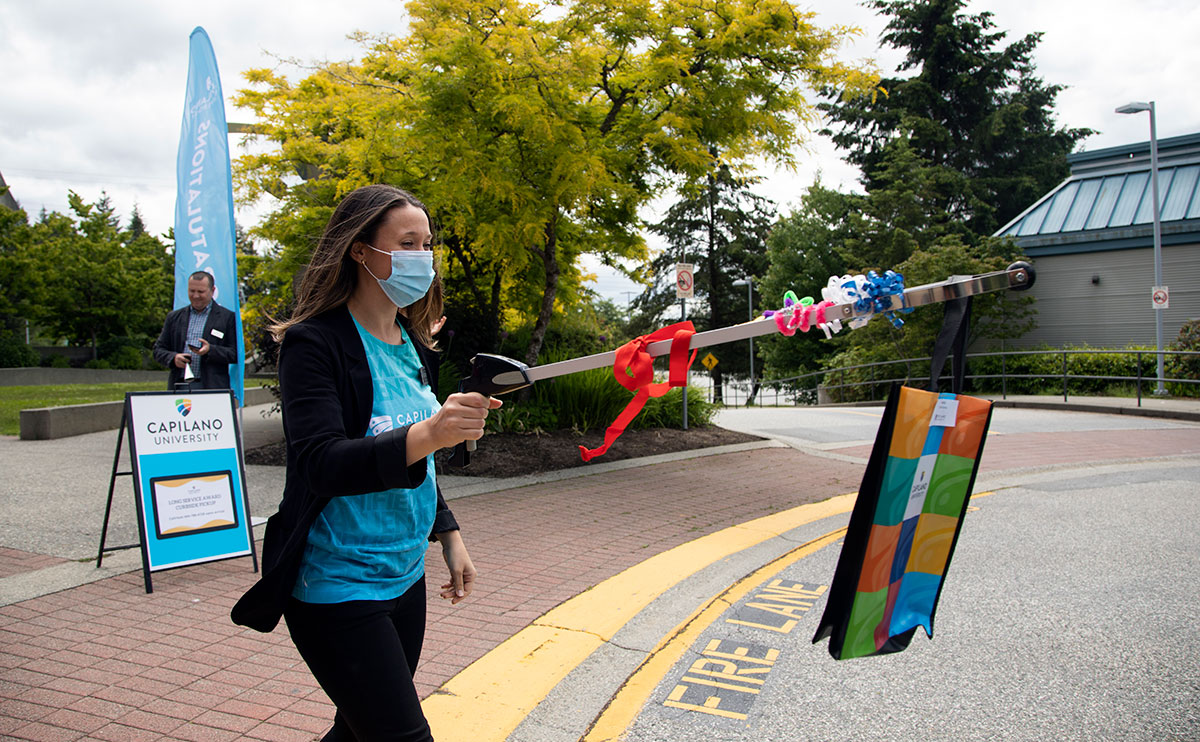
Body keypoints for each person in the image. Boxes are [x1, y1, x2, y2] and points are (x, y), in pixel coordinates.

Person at [231, 184, 500, 741]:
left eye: (427, 245)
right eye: (407, 243)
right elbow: (320, 463)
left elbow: (417, 458)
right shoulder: (314, 343)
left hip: (404, 577)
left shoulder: (410, 340)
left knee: (357, 733)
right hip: (337, 582)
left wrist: (447, 534)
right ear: (359, 250)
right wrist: (430, 430)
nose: (422, 258)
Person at [152, 271, 238, 390]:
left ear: (212, 291)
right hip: (180, 386)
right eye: (192, 291)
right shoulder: (174, 317)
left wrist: (210, 350)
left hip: (212, 387)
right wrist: (173, 358)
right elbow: (158, 350)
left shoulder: (228, 318)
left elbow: (235, 354)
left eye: (200, 292)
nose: (196, 296)